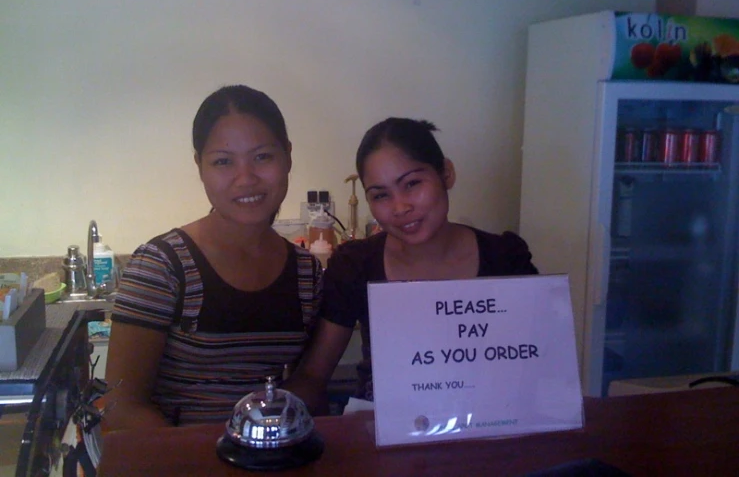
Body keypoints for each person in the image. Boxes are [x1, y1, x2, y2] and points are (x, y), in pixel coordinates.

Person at [103, 85, 323, 430]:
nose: (246, 178)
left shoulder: (306, 273)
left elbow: (304, 384)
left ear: (288, 156)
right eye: (223, 161)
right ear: (200, 166)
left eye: (263, 156)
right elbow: (122, 406)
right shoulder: (162, 266)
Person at [284, 117, 537, 414]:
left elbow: (540, 365)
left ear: (447, 174)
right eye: (380, 195)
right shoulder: (355, 265)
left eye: (412, 184)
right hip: (386, 438)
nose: (400, 207)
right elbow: (313, 376)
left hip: (491, 432)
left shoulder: (505, 257)